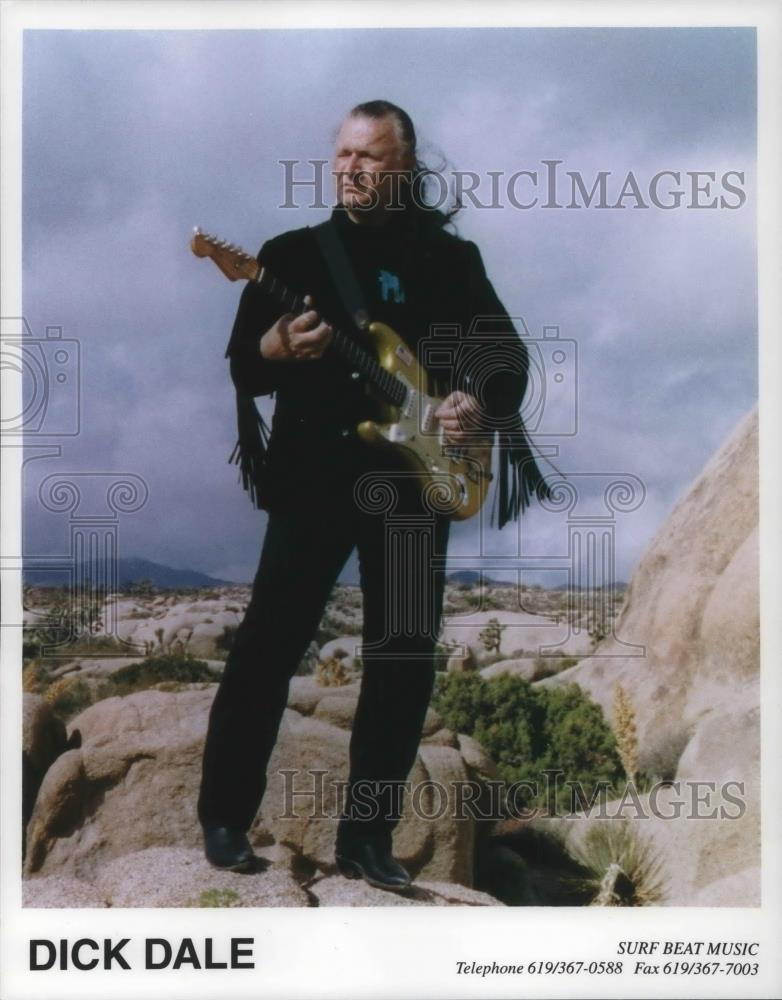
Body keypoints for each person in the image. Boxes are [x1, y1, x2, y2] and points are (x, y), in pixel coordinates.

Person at [197, 100, 548, 891]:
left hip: (416, 484)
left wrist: (472, 401)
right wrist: (276, 344)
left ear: (406, 169)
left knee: (401, 661)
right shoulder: (291, 256)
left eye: (371, 159)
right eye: (344, 156)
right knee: (267, 645)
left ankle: (368, 840)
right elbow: (244, 365)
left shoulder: (450, 261)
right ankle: (224, 819)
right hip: (314, 477)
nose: (352, 170)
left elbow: (505, 358)